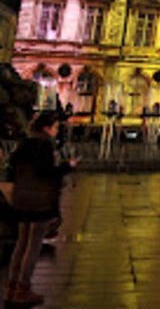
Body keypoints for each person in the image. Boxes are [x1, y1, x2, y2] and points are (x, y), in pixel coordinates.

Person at [6, 112, 77, 306]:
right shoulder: (44, 145)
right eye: (55, 127)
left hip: (21, 197)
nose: (56, 131)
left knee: (21, 243)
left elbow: (12, 168)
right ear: (46, 128)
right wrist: (67, 167)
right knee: (34, 245)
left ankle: (11, 288)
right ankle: (23, 288)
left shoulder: (24, 143)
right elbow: (46, 172)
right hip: (39, 199)